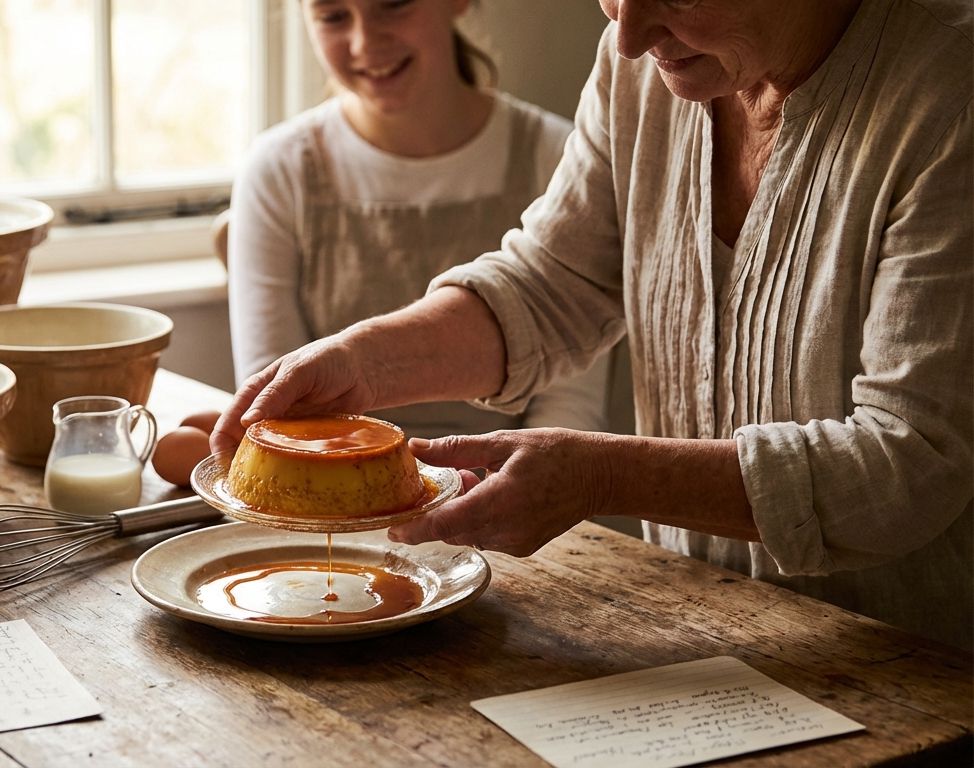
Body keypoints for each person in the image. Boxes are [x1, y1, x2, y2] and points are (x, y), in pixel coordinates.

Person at [214, 0, 973, 651]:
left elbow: (912, 462)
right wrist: (362, 360)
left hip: (910, 664)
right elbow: (553, 283)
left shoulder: (951, 93)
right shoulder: (644, 64)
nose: (630, 36)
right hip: (694, 634)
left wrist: (603, 475)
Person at [228, 0, 611, 440]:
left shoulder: (560, 156)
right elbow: (276, 404)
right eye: (334, 16)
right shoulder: (278, 168)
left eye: (393, 4)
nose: (365, 43)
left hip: (508, 483)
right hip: (334, 492)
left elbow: (569, 409)